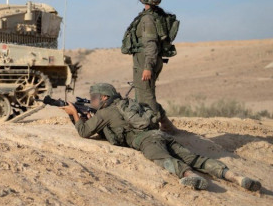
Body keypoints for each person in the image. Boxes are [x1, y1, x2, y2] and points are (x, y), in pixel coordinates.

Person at [51, 83, 261, 191]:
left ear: (104, 97)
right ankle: (235, 177)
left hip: (147, 141)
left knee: (164, 159)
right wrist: (87, 116)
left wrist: (74, 114)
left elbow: (83, 132)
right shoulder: (123, 106)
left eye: (95, 97)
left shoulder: (105, 113)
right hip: (160, 134)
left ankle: (188, 175)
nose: (92, 101)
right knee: (196, 158)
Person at [122, 0, 176, 132]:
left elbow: (151, 45)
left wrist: (147, 67)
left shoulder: (147, 19)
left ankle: (153, 129)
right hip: (148, 60)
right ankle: (166, 125)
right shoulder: (155, 15)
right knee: (144, 95)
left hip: (146, 61)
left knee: (146, 98)